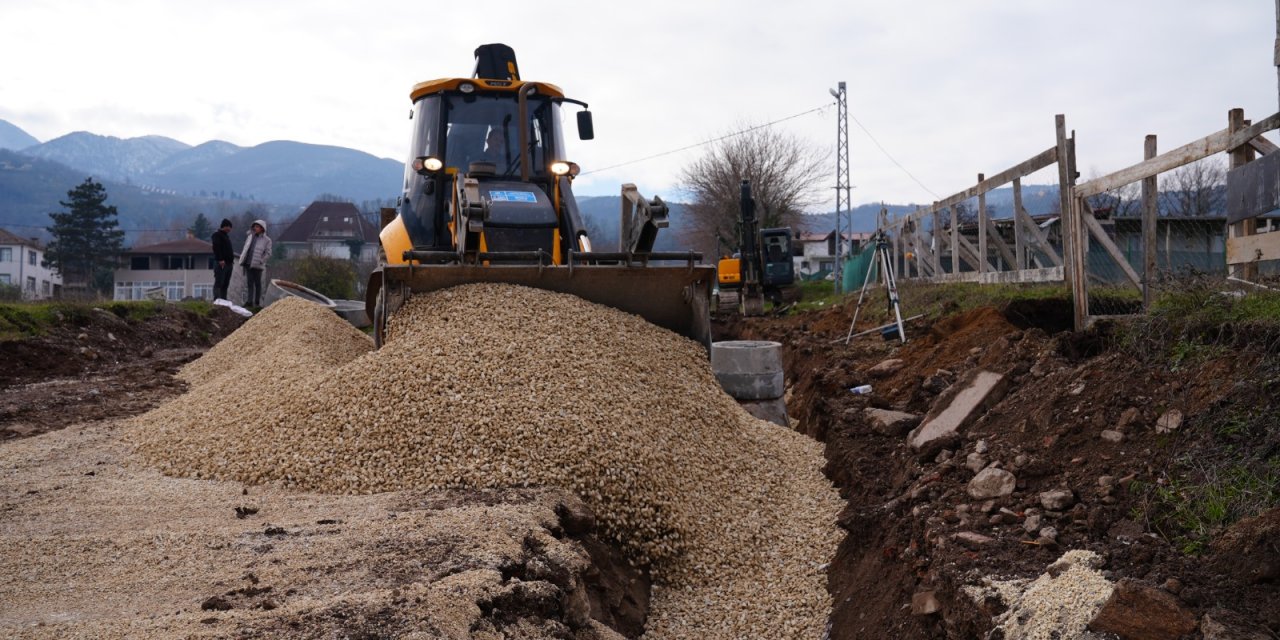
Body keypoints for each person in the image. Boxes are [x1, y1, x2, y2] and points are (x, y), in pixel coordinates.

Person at [239, 220, 272, 307]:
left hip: (258, 265)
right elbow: (246, 248)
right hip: (248, 263)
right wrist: (243, 258)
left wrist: (261, 260)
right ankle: (249, 301)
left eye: (257, 226)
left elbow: (268, 253)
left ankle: (257, 302)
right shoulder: (250, 237)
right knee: (249, 283)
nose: (255, 228)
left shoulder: (267, 240)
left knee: (257, 284)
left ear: (262, 228)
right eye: (254, 226)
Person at [210, 218, 234, 301]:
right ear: (225, 226)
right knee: (219, 282)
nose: (230, 229)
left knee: (225, 284)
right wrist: (220, 259)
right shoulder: (217, 235)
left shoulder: (226, 236)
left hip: (229, 263)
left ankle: (224, 300)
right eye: (229, 227)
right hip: (221, 263)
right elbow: (216, 247)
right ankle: (217, 299)